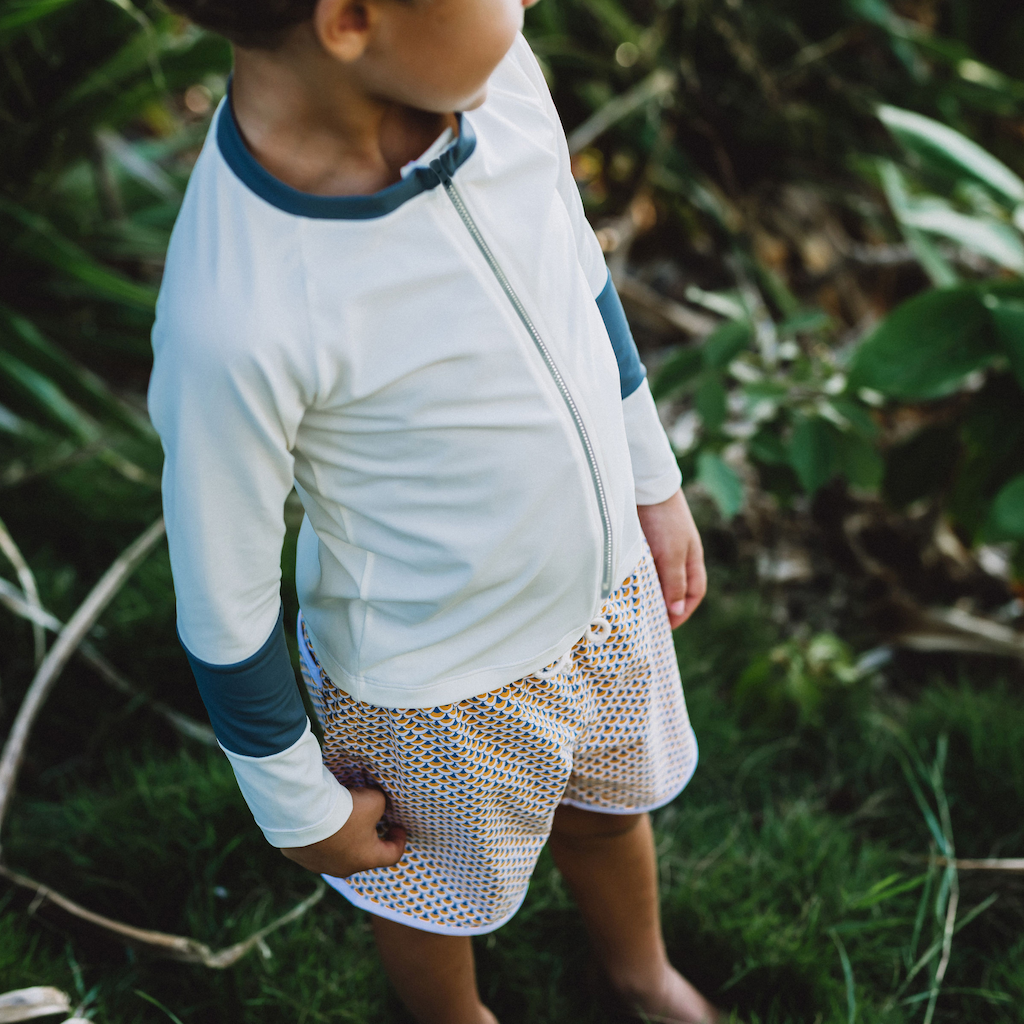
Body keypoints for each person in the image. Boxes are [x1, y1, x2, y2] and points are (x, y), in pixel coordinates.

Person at [148, 0, 719, 1021]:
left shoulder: (497, 94)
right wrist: (298, 804)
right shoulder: (237, 316)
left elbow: (578, 281)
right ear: (353, 20)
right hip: (439, 691)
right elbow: (223, 595)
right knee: (429, 890)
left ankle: (640, 973)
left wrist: (652, 480)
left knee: (606, 809)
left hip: (603, 596)